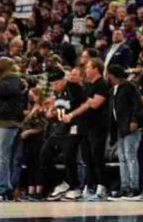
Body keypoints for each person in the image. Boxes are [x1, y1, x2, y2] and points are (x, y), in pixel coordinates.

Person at [62, 58, 111, 201]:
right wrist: (72, 114)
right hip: (86, 127)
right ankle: (89, 186)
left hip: (98, 126)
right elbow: (84, 105)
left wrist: (84, 99)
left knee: (97, 157)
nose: (86, 70)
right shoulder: (89, 86)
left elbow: (95, 104)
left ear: (96, 69)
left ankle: (102, 187)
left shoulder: (101, 84)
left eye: (89, 67)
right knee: (87, 158)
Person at [0, 57, 25, 202]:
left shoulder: (13, 79)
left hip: (6, 122)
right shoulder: (1, 80)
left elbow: (5, 91)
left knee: (1, 157)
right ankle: (6, 189)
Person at [43, 68, 84, 201]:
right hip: (59, 128)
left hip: (73, 127)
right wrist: (51, 112)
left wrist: (72, 115)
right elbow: (59, 107)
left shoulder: (74, 88)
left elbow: (85, 105)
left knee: (69, 157)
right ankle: (61, 183)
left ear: (63, 80)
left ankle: (74, 187)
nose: (54, 86)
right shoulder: (57, 92)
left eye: (56, 83)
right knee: (44, 154)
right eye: (52, 84)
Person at [108, 65, 143, 201]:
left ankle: (134, 187)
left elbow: (137, 105)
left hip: (130, 126)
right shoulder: (113, 90)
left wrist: (134, 120)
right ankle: (125, 187)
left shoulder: (130, 87)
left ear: (113, 75)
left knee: (130, 156)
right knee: (122, 158)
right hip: (120, 128)